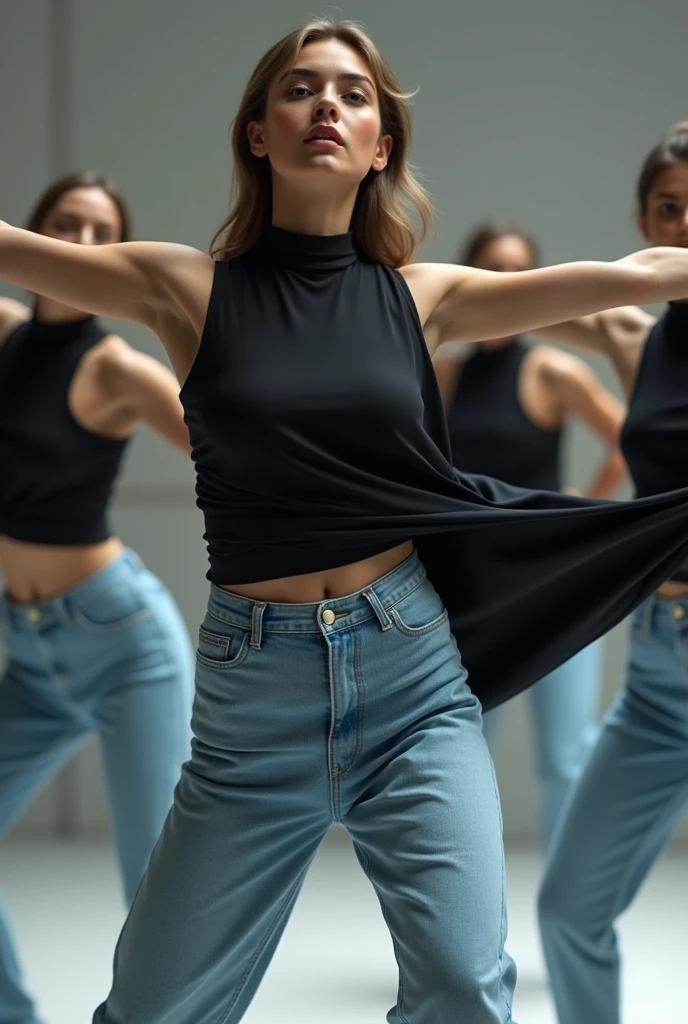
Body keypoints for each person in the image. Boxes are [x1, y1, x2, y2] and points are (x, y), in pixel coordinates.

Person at [2, 20, 688, 1024]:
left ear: (381, 147)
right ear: (256, 132)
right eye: (300, 88)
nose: (328, 104)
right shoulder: (184, 287)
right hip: (252, 701)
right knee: (152, 1009)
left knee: (464, 986)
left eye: (355, 95)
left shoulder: (423, 297)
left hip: (411, 676)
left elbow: (633, 277)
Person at [0, 171, 194, 1024]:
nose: (79, 246)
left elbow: (237, 450)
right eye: (63, 226)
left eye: (99, 233)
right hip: (33, 648)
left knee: (157, 893)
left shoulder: (116, 366)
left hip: (122, 646)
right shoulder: (3, 338)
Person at [536, 122, 688, 1024]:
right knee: (569, 908)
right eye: (669, 211)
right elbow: (492, 305)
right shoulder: (634, 336)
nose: (686, 227)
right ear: (643, 221)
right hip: (659, 667)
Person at [432, 221, 627, 850]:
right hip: (472, 595)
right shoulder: (445, 375)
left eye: (521, 271)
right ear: (472, 278)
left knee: (567, 758)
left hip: (556, 587)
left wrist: (583, 505)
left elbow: (628, 436)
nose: (508, 283)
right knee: (459, 760)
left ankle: (563, 917)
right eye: (494, 268)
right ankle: (467, 927)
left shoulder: (551, 369)